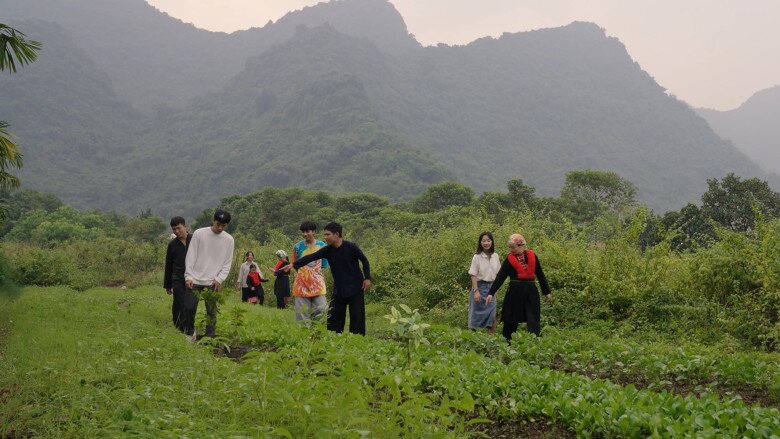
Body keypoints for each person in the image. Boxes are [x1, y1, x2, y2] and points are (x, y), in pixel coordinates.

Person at [284, 222, 371, 335]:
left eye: (327, 234)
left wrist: (367, 278)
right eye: (324, 235)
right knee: (334, 317)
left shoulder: (351, 247)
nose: (325, 237)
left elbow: (364, 260)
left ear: (336, 234)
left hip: (355, 287)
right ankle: (333, 338)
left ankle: (357, 339)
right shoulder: (327, 250)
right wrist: (294, 264)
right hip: (339, 288)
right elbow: (311, 256)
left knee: (356, 315)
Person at [486, 233, 551, 341]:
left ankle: (535, 341)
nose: (511, 250)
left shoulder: (532, 256)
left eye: (513, 248)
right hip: (514, 292)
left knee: (533, 317)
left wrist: (546, 292)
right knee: (510, 318)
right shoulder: (509, 259)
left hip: (531, 292)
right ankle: (506, 342)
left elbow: (540, 274)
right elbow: (501, 277)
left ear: (521, 246)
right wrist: (491, 293)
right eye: (510, 248)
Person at [184, 209, 235, 338]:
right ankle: (190, 333)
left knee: (211, 312)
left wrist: (219, 279)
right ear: (213, 220)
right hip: (194, 279)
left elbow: (227, 263)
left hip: (213, 282)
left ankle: (210, 337)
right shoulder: (199, 233)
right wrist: (188, 275)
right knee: (189, 308)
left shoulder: (229, 240)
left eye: (223, 226)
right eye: (218, 224)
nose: (220, 228)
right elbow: (191, 255)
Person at [163, 216, 197, 341]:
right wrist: (167, 285)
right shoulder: (172, 245)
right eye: (174, 229)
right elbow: (169, 265)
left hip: (194, 278)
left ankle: (189, 328)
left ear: (185, 226)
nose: (176, 231)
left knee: (190, 305)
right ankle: (182, 327)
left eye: (179, 228)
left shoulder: (194, 239)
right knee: (179, 303)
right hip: (177, 278)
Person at [290, 221, 329, 323]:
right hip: (301, 285)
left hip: (318, 284)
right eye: (303, 231)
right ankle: (304, 335)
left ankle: (316, 333)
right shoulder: (297, 247)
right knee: (302, 313)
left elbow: (324, 265)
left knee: (321, 309)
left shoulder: (322, 245)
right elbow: (294, 265)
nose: (305, 234)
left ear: (314, 232)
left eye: (307, 231)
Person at [468, 232, 501, 333]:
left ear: (492, 242)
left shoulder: (495, 256)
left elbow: (498, 275)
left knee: (492, 316)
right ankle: (472, 340)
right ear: (480, 243)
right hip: (480, 287)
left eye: (488, 240)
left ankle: (490, 342)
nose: (486, 243)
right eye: (483, 241)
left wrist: (496, 290)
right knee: (475, 316)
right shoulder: (477, 257)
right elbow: (473, 274)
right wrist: (476, 291)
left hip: (492, 288)